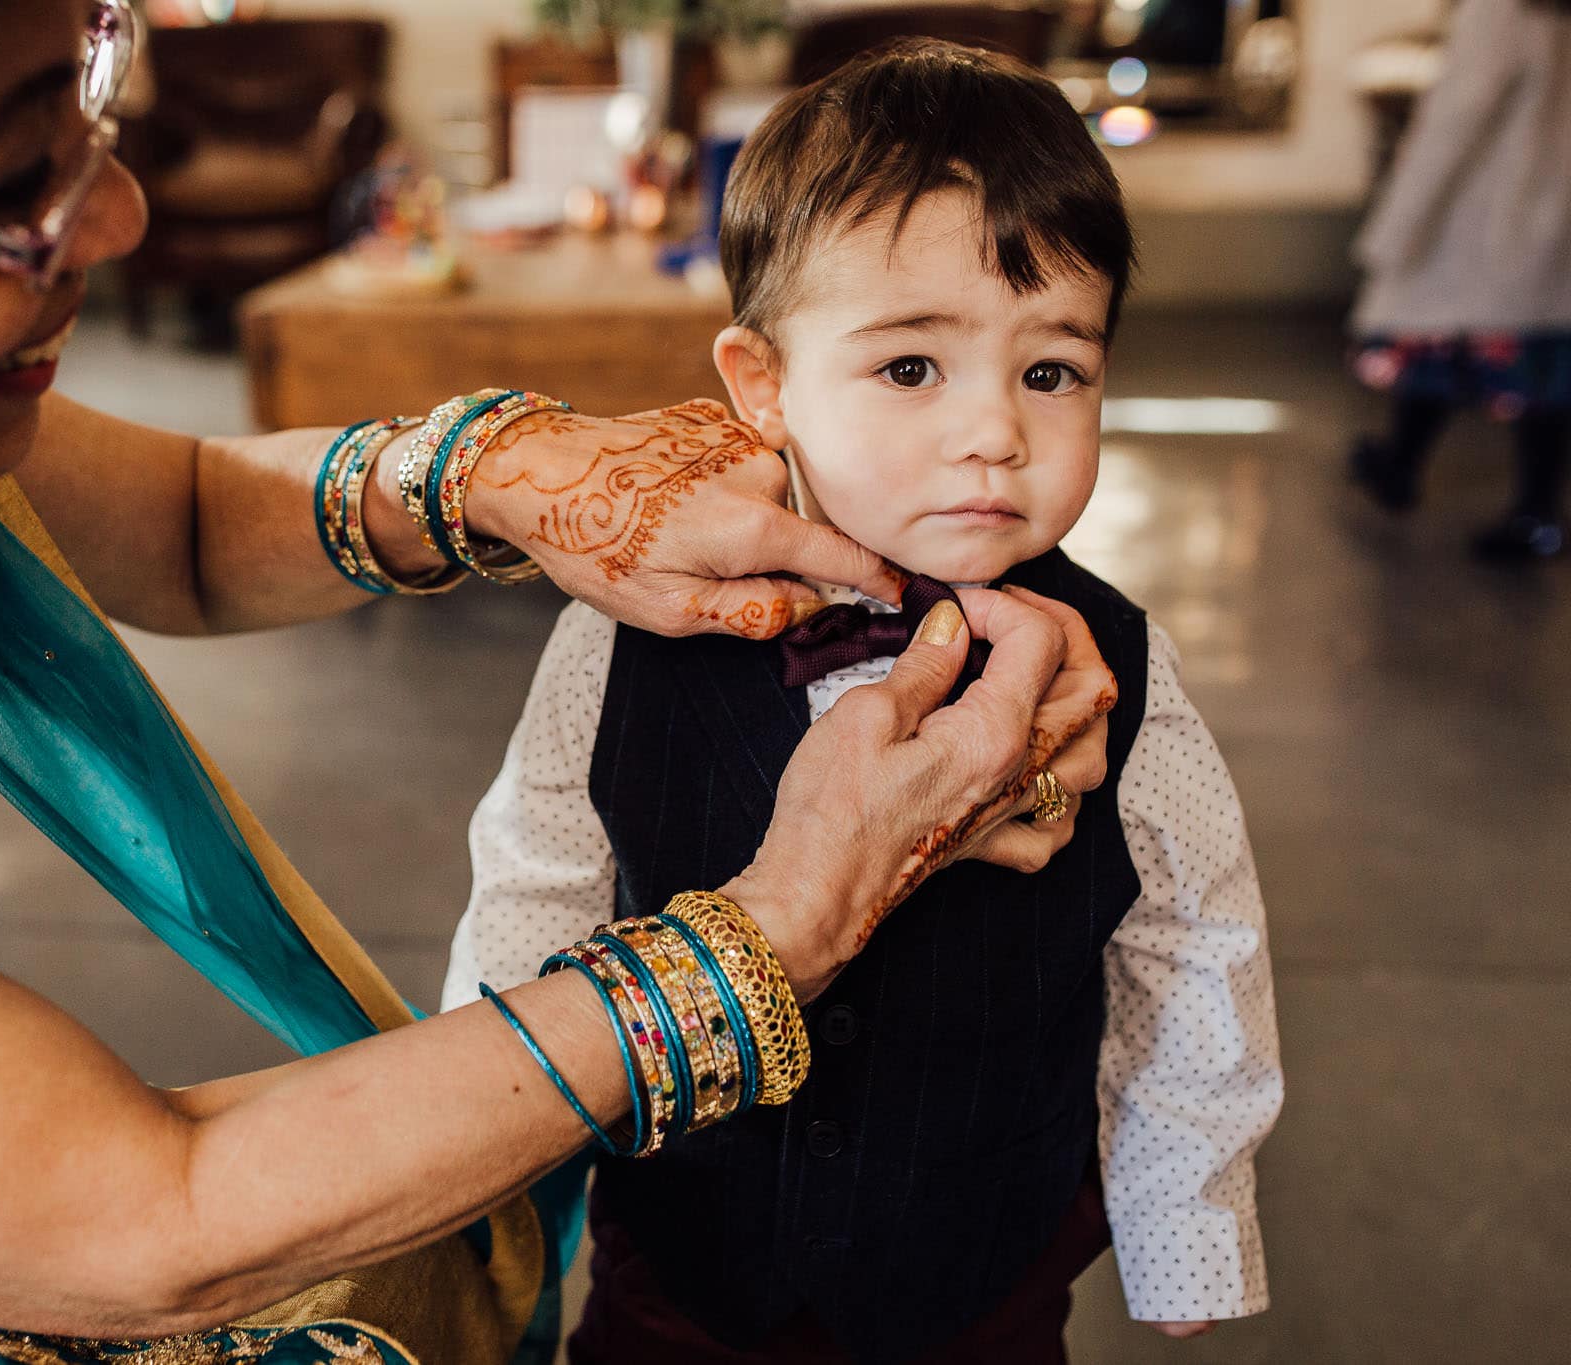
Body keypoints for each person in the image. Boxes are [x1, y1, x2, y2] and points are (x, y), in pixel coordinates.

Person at [0, 5, 1120, 1364]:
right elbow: (146, 1215)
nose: (123, 218)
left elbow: (193, 525)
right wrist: (789, 918)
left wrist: (527, 475)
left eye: (84, 91)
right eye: (1, 184)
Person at [444, 42, 1284, 1364]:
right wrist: (483, 1158)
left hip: (980, 1277)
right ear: (764, 382)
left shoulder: (1123, 660)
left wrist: (1187, 1202)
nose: (994, 432)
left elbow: (1190, 938)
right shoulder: (623, 635)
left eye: (1050, 371)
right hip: (684, 1267)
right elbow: (534, 883)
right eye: (912, 369)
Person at [1347, 0, 1571, 561]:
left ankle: (1524, 507)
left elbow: (1452, 124)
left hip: (1492, 220)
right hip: (1549, 222)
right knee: (1536, 365)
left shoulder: (1498, 13)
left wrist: (1394, 230)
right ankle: (1530, 506)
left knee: (1442, 341)